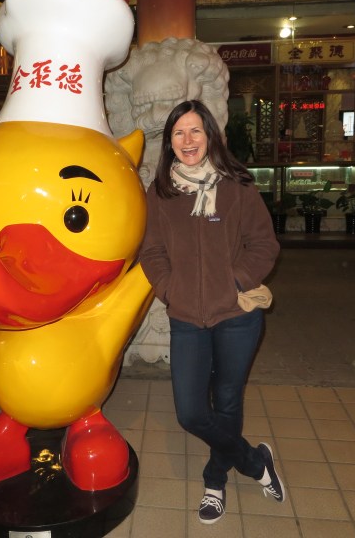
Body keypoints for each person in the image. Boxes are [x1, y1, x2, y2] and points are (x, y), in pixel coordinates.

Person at [139, 100, 284, 525]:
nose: (187, 140)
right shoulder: (160, 193)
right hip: (187, 317)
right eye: (178, 133)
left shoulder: (237, 186)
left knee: (227, 400)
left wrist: (235, 280)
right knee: (190, 412)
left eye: (195, 131)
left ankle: (215, 481)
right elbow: (151, 251)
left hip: (236, 316)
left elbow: (265, 245)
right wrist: (170, 289)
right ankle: (255, 461)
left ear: (210, 136)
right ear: (169, 141)